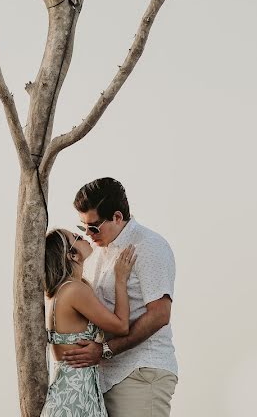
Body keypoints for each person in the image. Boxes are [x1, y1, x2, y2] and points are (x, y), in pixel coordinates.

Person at [62, 177, 178, 417]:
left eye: (94, 227)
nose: (89, 234)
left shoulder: (148, 246)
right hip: (104, 378)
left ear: (116, 217)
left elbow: (160, 315)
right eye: (83, 228)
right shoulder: (99, 252)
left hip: (140, 373)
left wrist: (104, 350)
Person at [40, 228, 137, 417]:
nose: (84, 237)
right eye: (76, 238)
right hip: (76, 397)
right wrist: (120, 279)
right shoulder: (75, 290)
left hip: (70, 392)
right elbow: (121, 326)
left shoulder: (62, 291)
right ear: (72, 255)